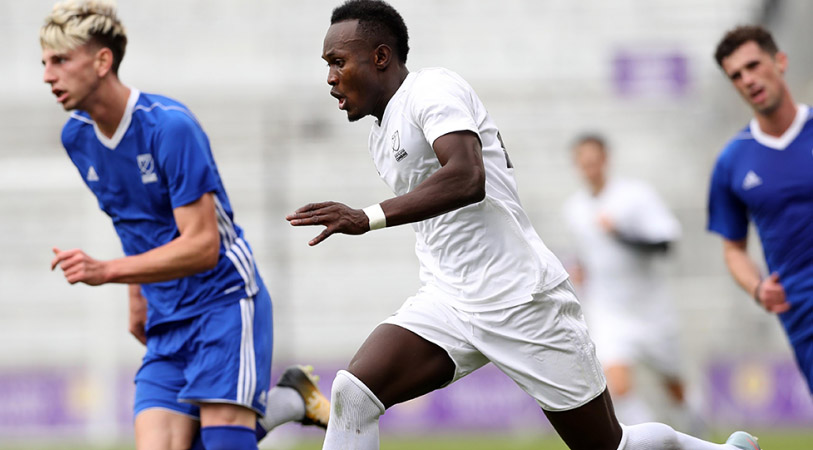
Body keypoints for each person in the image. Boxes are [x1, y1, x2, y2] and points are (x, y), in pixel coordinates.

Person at [286, 1, 760, 448]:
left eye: (337, 62)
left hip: (519, 299)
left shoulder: (432, 90)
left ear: (381, 56)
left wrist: (365, 217)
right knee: (353, 392)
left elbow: (469, 177)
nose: (330, 78)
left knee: (607, 445)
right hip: (448, 300)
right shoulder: (379, 132)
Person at [40, 2, 328, 449]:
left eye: (60, 60)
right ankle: (290, 399)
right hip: (167, 314)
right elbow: (129, 218)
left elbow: (202, 247)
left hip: (224, 303)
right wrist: (138, 297)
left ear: (102, 61)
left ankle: (287, 401)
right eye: (44, 63)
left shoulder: (169, 128)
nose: (47, 76)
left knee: (223, 444)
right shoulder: (76, 136)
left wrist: (109, 272)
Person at [563, 134, 701, 428]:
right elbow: (588, 255)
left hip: (651, 309)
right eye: (583, 163)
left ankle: (696, 430)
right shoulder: (575, 208)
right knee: (619, 389)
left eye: (594, 161)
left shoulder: (635, 196)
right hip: (609, 310)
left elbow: (665, 243)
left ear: (606, 160)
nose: (590, 169)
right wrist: (581, 271)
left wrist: (621, 233)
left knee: (674, 387)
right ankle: (653, 445)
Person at [708, 25, 813, 395]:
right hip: (803, 314)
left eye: (753, 66)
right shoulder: (732, 161)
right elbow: (733, 249)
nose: (748, 79)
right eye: (737, 75)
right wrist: (757, 288)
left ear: (779, 62)